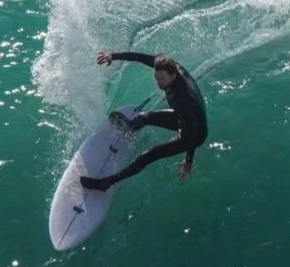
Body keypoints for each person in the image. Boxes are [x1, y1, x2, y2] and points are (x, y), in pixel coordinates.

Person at [80, 51, 208, 191]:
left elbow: (191, 132)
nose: (158, 82)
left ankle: (107, 183)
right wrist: (113, 56)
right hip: (186, 116)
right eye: (156, 77)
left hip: (195, 133)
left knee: (149, 155)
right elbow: (139, 57)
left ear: (173, 75)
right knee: (143, 117)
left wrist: (189, 160)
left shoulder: (180, 99)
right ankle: (130, 127)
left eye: (162, 79)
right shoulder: (170, 67)